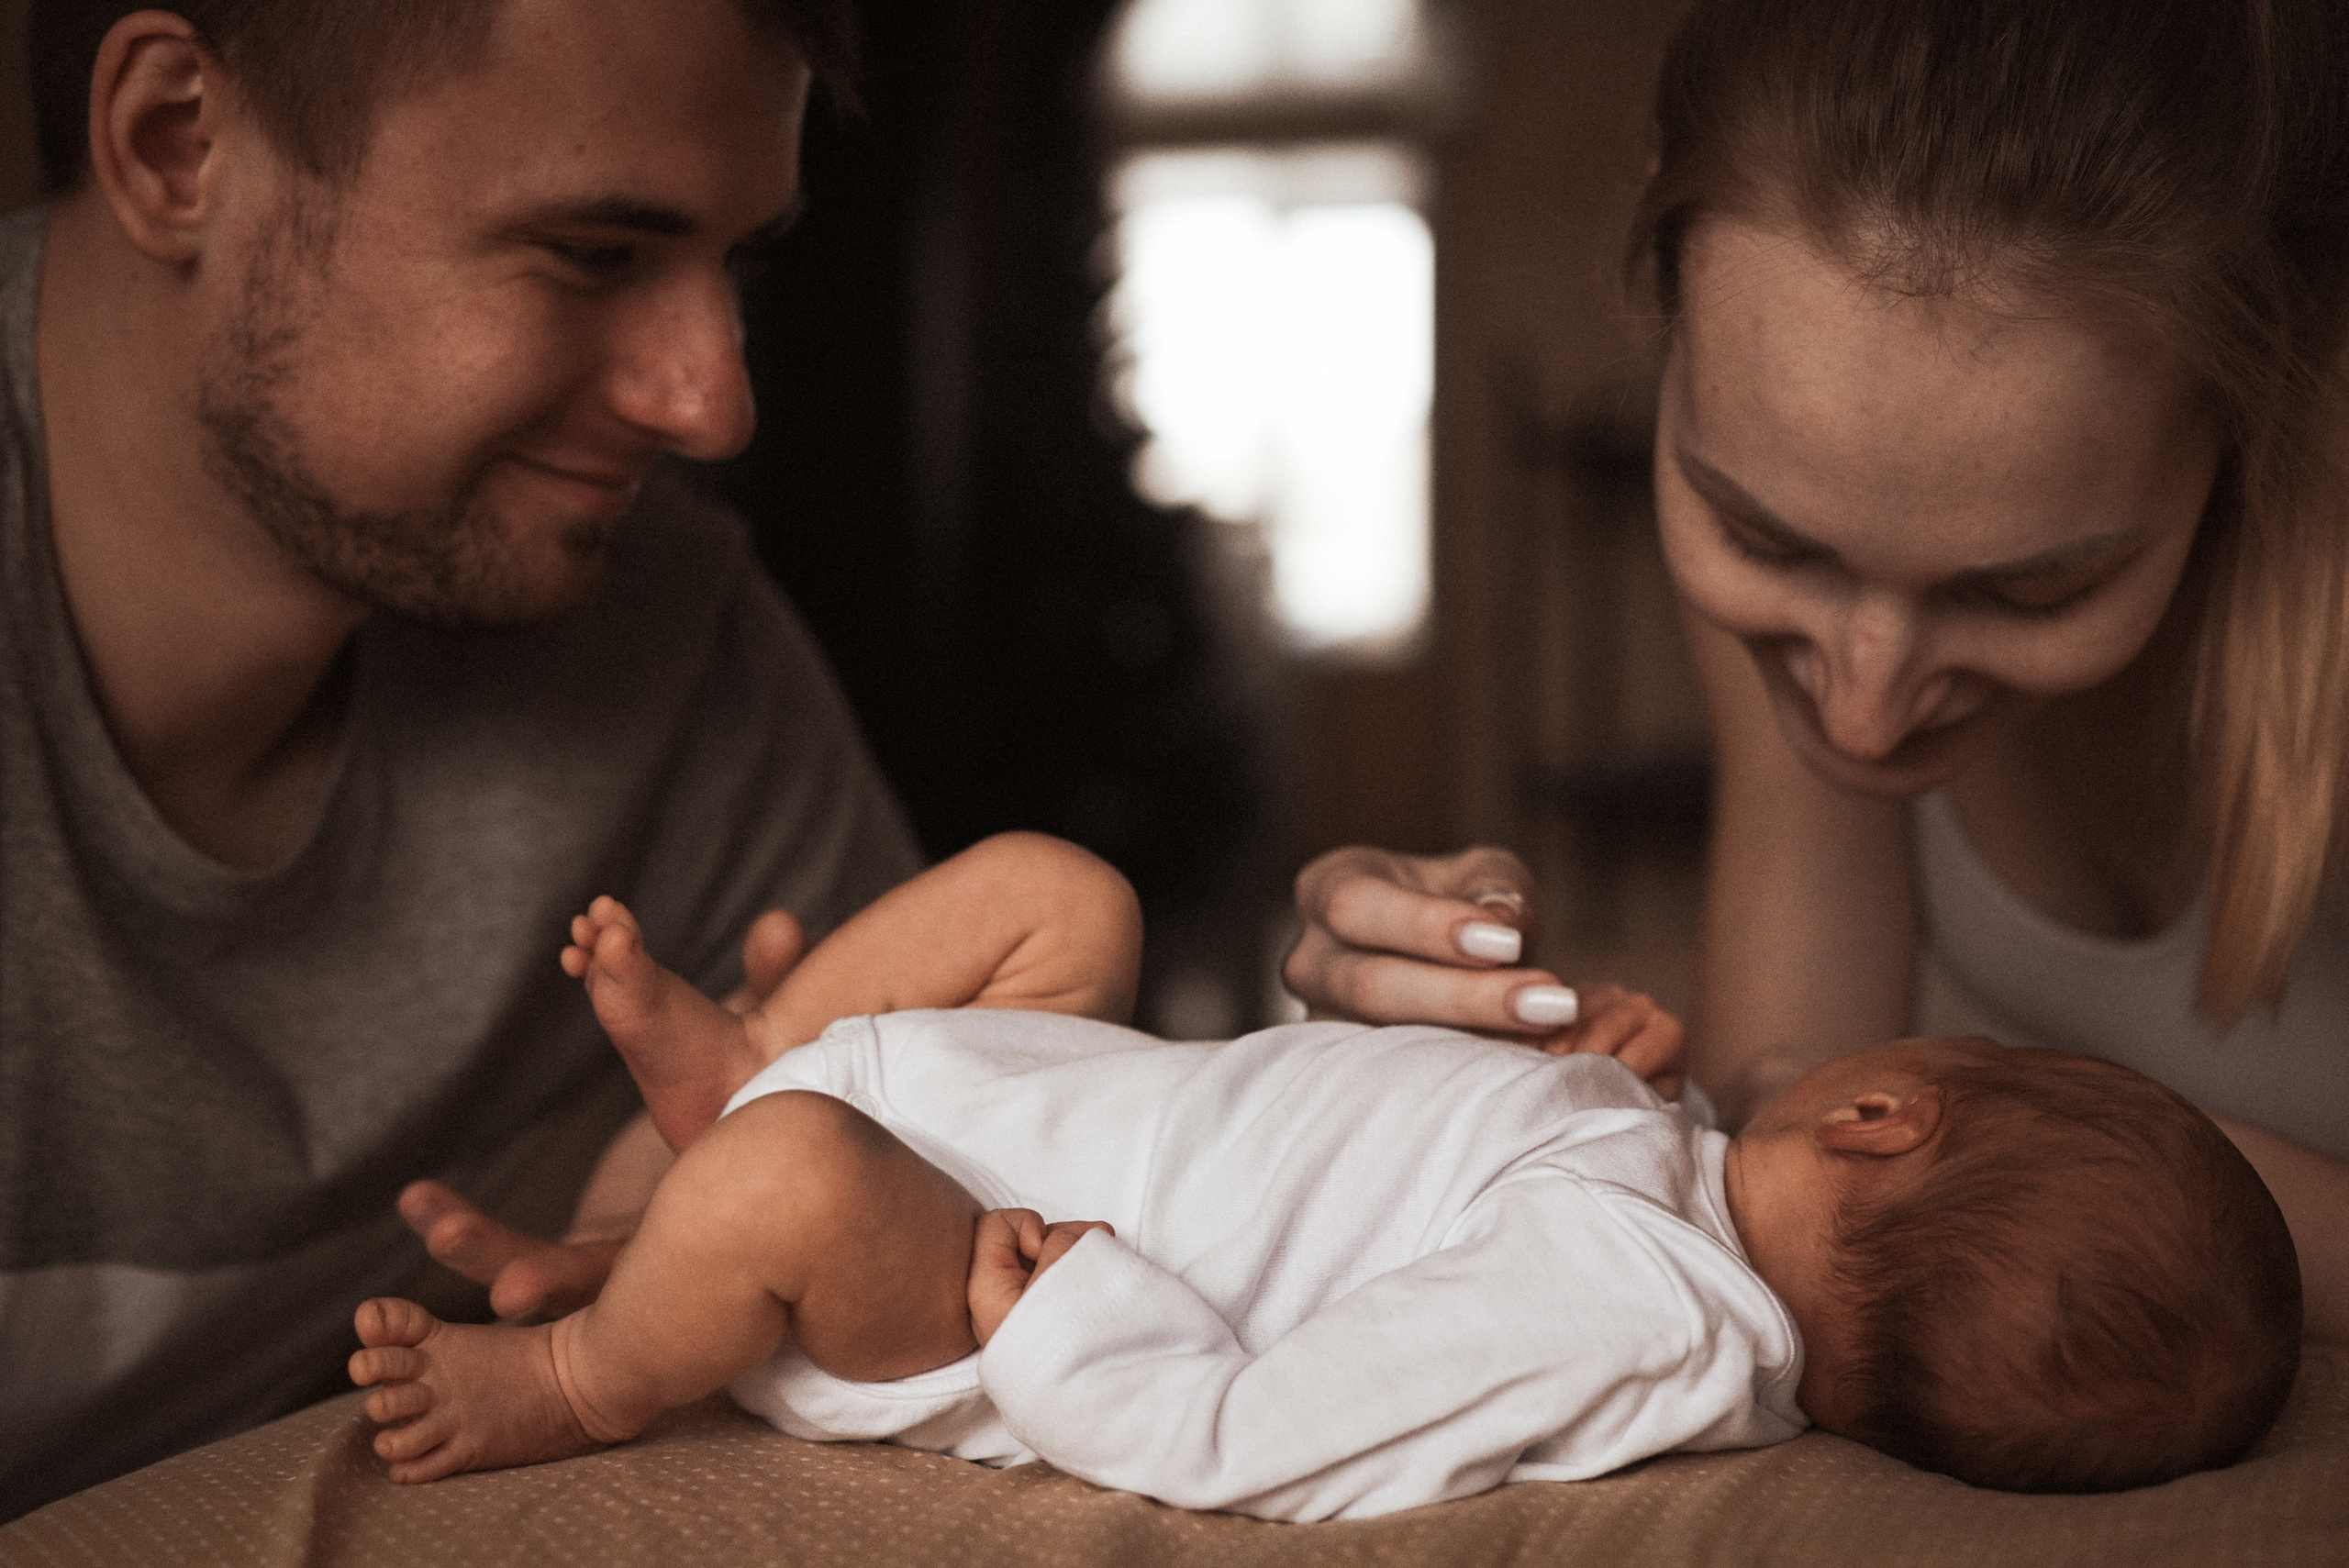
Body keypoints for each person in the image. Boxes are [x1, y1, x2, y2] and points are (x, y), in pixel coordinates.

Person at [1284, 0, 2349, 1344]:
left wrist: (2014, 1163)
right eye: (1761, 535)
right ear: (1666, 339)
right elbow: (1785, 1133)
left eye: (2031, 587)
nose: (1863, 703)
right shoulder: (1811, 647)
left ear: (2258, 417)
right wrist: (1503, 1091)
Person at [0, 0, 923, 1517]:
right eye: (595, 254)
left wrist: (1382, 1070)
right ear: (178, 143)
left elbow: (1026, 1232)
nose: (714, 401)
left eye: (735, 261)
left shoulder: (671, 653)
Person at [348, 832, 2298, 1519]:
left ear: (1881, 1116)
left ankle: (589, 1363)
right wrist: (1571, 1073)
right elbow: (1406, 1168)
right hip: (1064, 1106)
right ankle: (736, 1097)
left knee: (782, 1191)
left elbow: (1263, 1433)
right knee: (1056, 896)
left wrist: (1075, 1320)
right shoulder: (1664, 1190)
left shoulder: (1636, 1320)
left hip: (970, 1275)